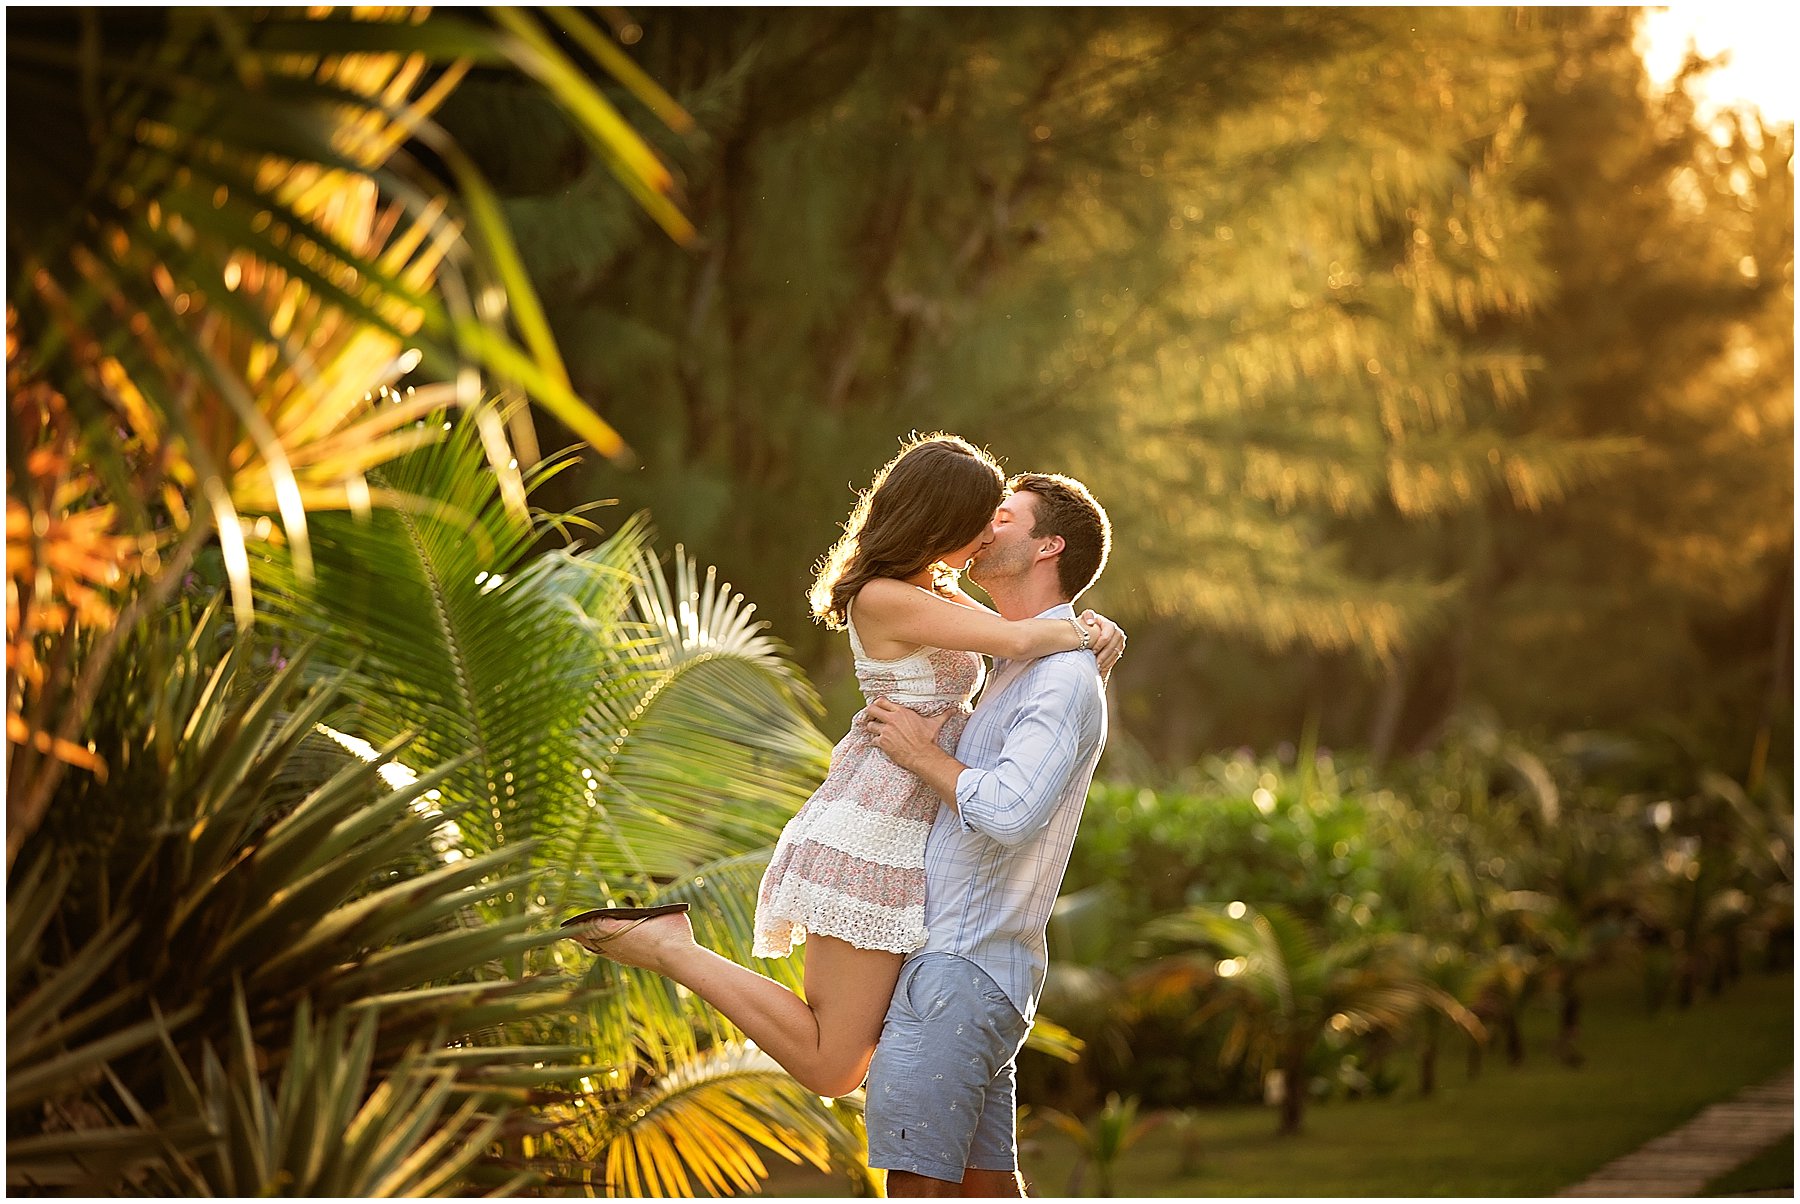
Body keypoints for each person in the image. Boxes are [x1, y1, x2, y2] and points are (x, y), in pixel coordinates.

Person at [561, 434, 1122, 1103]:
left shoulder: (928, 587)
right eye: (980, 518)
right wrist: (1092, 635)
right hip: (876, 823)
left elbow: (1017, 651)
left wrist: (1089, 645)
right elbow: (1019, 640)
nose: (983, 535)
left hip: (909, 819)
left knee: (851, 1058)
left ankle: (670, 946)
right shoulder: (885, 596)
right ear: (939, 517)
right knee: (833, 1065)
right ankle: (669, 947)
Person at [859, 469, 1115, 1197]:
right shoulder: (1019, 660)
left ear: (1047, 546)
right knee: (987, 1189)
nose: (982, 522)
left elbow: (1007, 811)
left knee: (918, 1189)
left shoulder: (1059, 677)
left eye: (1002, 515)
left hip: (957, 970)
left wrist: (919, 753)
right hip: (972, 973)